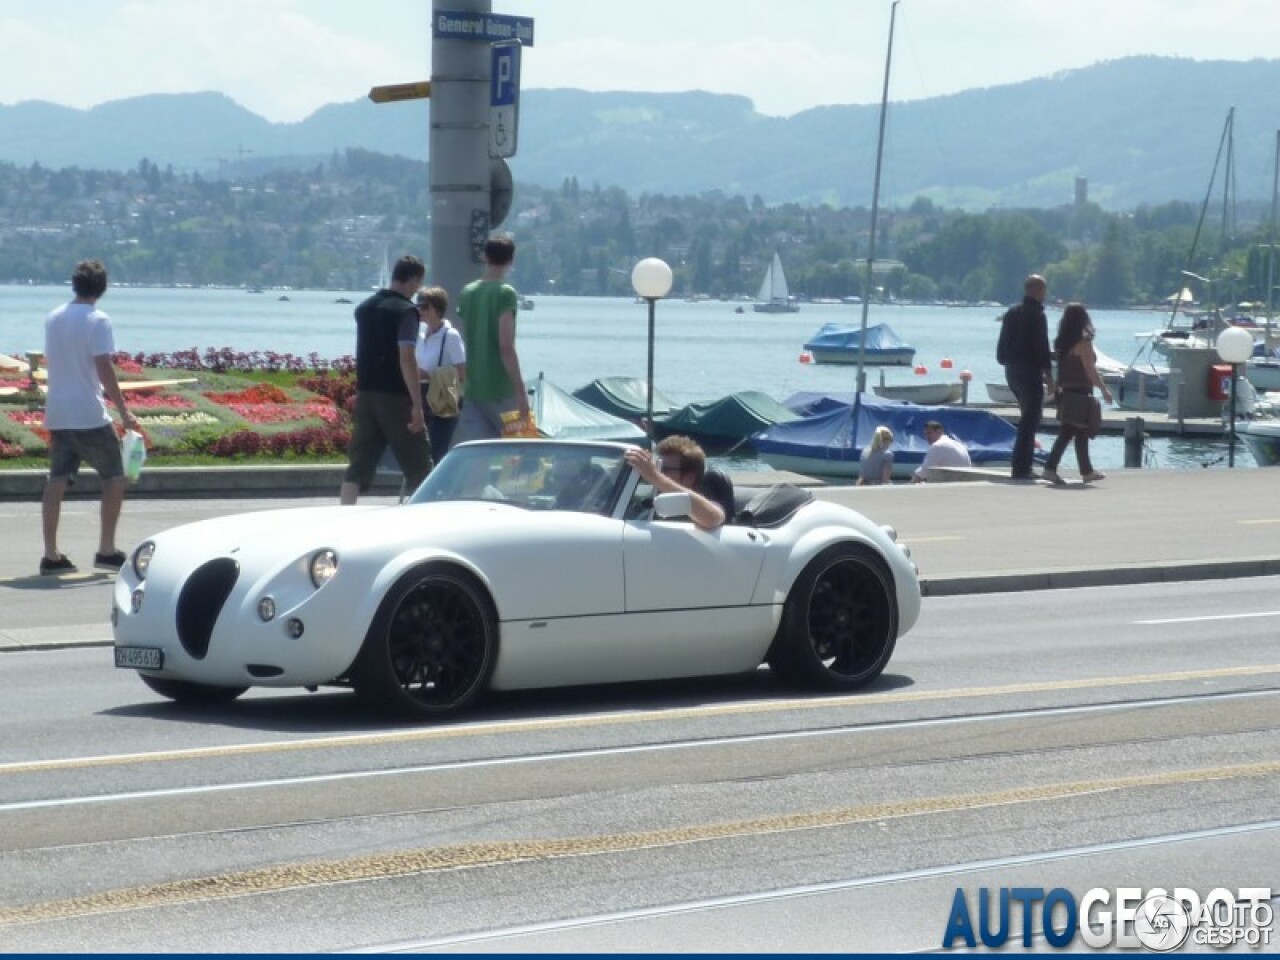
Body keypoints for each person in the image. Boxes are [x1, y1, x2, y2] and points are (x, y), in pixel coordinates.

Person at [40, 259, 141, 574]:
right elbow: (103, 368)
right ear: (102, 288)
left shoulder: (54, 318)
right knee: (115, 478)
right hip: (88, 412)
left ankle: (51, 554)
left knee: (57, 480)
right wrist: (124, 411)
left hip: (57, 410)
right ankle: (106, 550)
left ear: (75, 284)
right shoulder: (99, 320)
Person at [339, 254, 430, 505]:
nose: (417, 290)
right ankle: (427, 518)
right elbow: (407, 358)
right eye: (418, 284)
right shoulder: (406, 312)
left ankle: (344, 514)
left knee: (358, 465)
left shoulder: (364, 309)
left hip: (366, 394)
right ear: (412, 280)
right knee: (419, 465)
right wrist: (417, 405)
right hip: (395, 396)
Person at [452, 235, 530, 444]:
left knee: (480, 454)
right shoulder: (506, 293)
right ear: (511, 260)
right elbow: (505, 345)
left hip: (474, 387)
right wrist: (520, 391)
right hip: (501, 388)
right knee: (517, 451)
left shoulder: (468, 292)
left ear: (485, 257)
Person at [1043, 303, 1113, 485]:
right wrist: (1104, 389)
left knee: (1078, 430)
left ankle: (1086, 470)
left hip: (1066, 390)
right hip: (1080, 391)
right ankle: (1051, 468)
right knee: (1069, 431)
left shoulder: (1061, 343)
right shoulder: (1083, 342)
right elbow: (1090, 369)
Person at [997, 273, 1056, 479]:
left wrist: (1005, 361)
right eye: (1044, 290)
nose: (1045, 294)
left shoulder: (1012, 313)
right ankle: (1022, 467)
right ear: (1038, 291)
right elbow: (1042, 348)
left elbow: (1002, 344)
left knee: (1026, 416)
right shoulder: (1038, 315)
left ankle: (1021, 464)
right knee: (1031, 419)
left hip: (1011, 370)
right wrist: (1049, 377)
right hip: (1029, 371)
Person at [624, 435, 735, 530]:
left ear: (689, 478)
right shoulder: (652, 500)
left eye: (665, 469)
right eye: (657, 467)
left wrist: (654, 476)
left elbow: (712, 518)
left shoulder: (706, 499)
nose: (659, 472)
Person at [414, 286, 466, 460]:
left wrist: (429, 375)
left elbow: (461, 371)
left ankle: (441, 486)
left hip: (443, 397)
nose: (420, 311)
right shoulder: (420, 334)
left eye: (425, 307)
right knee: (421, 451)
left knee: (437, 450)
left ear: (437, 309)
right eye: (418, 306)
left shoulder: (450, 336)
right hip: (422, 397)